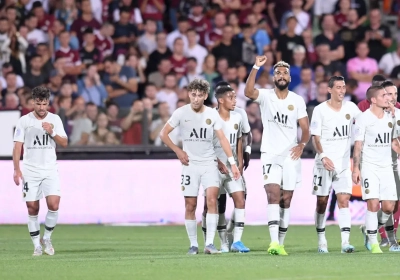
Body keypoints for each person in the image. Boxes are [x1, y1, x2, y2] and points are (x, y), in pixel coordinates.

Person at [159, 79, 240, 255]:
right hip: (190, 165)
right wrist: (178, 151)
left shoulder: (212, 114)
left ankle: (209, 244)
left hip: (209, 164)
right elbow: (163, 134)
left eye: (200, 95)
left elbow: (223, 139)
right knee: (190, 205)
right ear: (189, 94)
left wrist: (232, 163)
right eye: (193, 94)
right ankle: (193, 244)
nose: (196, 98)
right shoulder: (181, 113)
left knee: (212, 200)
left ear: (205, 96)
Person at [244, 57, 310, 255]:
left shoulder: (297, 100)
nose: (282, 76)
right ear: (274, 77)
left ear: (290, 77)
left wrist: (302, 144)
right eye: (278, 73)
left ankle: (280, 243)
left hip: (291, 154)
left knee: (286, 199)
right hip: (270, 153)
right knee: (273, 194)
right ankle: (273, 243)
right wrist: (256, 66)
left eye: (285, 73)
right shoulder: (265, 96)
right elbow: (248, 92)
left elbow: (305, 128)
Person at [12, 86, 68, 256]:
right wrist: (16, 169)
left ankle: (47, 238)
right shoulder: (24, 121)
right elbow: (17, 146)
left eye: (45, 104)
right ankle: (36, 245)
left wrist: (51, 132)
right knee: (32, 208)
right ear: (33, 102)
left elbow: (64, 142)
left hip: (50, 169)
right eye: (38, 104)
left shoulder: (55, 119)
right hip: (30, 171)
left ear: (48, 102)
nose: (42, 108)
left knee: (54, 205)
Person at [310, 76, 361, 253]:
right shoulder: (319, 110)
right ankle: (321, 240)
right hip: (323, 164)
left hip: (343, 165)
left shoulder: (351, 108)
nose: (342, 91)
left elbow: (365, 121)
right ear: (329, 90)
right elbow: (315, 137)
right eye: (338, 87)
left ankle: (345, 242)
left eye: (343, 87)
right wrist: (323, 156)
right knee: (322, 202)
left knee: (344, 200)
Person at [201, 81, 253, 251]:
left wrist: (238, 163)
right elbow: (205, 144)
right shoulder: (209, 118)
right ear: (221, 100)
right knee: (216, 204)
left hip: (231, 168)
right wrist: (217, 162)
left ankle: (236, 241)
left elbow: (239, 140)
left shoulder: (238, 117)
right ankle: (222, 242)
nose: (235, 101)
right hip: (213, 167)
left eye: (234, 97)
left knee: (240, 199)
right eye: (231, 97)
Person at [353, 85, 400, 254]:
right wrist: (355, 169)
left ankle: (368, 228)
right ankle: (374, 242)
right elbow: (358, 145)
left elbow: (394, 142)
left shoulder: (391, 116)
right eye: (383, 95)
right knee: (373, 202)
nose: (388, 98)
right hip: (370, 166)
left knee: (388, 207)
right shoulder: (363, 118)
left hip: (387, 167)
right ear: (373, 99)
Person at [375, 81, 400, 250]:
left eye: (395, 94)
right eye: (389, 94)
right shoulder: (373, 114)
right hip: (375, 164)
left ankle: (370, 228)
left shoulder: (398, 114)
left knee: (395, 203)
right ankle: (386, 237)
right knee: (384, 203)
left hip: (393, 164)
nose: (393, 97)